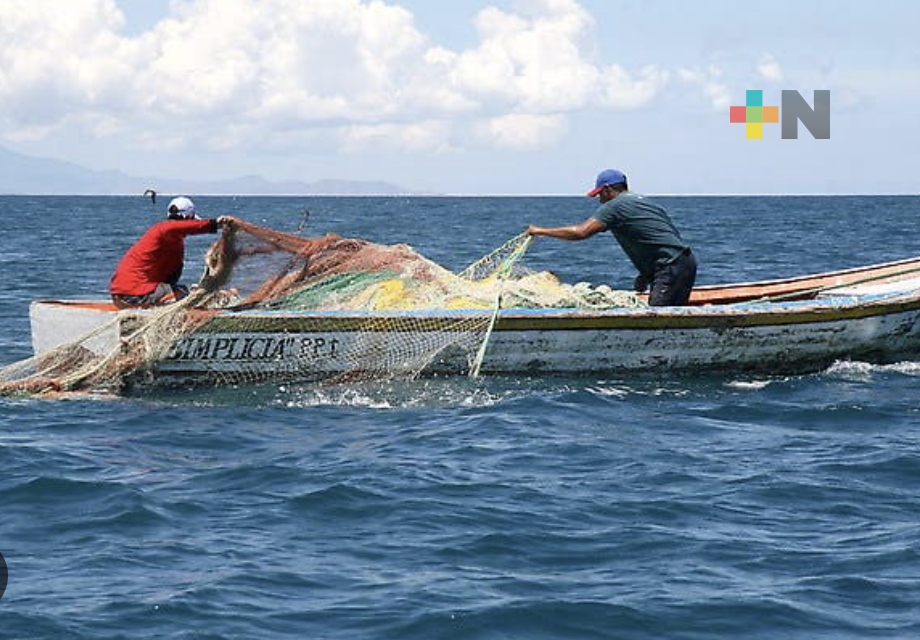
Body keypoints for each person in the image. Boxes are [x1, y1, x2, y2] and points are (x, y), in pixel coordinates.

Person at [527, 169, 697, 306]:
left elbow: (581, 232)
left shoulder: (615, 205)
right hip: (684, 262)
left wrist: (540, 230)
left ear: (608, 189)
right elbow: (660, 238)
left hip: (669, 267)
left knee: (658, 319)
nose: (600, 200)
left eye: (600, 194)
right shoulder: (644, 202)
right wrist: (646, 274)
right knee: (672, 312)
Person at [110, 196, 236, 309]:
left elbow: (170, 278)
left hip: (125, 294)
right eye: (192, 221)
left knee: (186, 291)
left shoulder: (171, 242)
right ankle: (219, 298)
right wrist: (216, 224)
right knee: (187, 294)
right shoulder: (164, 229)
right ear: (188, 218)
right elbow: (183, 227)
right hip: (132, 295)